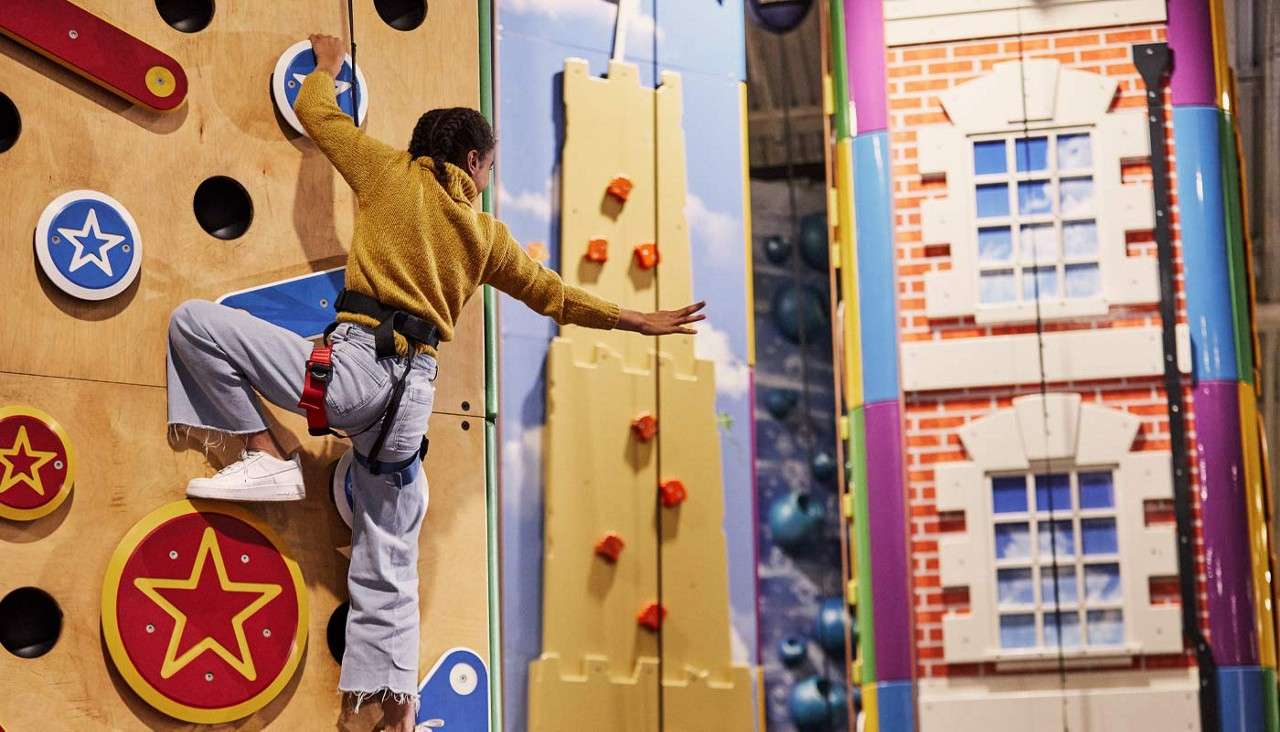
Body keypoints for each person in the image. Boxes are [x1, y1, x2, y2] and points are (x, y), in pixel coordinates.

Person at [164, 33, 704, 731]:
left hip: (354, 372)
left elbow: (319, 116)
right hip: (408, 406)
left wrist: (326, 66)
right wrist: (636, 319)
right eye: (490, 165)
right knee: (388, 552)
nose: (488, 178)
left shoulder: (389, 172)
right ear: (472, 160)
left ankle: (266, 453)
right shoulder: (485, 235)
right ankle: (386, 709)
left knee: (194, 324)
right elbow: (556, 296)